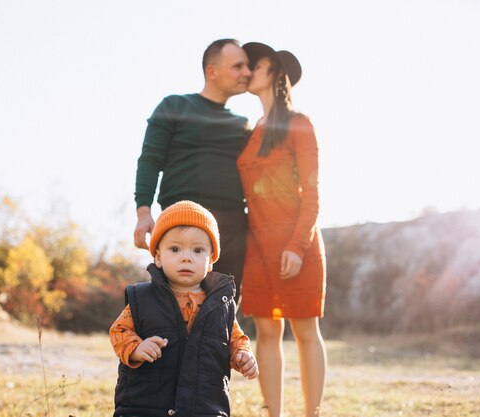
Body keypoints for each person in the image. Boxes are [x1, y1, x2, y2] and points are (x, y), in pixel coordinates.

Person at [236, 42, 327, 417]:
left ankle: (312, 414)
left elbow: (312, 192)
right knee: (267, 333)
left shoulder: (299, 123)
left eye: (253, 65)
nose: (246, 72)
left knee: (305, 331)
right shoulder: (252, 130)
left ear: (274, 71)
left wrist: (297, 244)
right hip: (259, 246)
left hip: (297, 243)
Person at [111, 200, 258, 417]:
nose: (186, 256)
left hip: (204, 406)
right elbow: (119, 330)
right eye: (175, 249)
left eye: (198, 250)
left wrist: (242, 356)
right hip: (145, 405)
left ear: (210, 262)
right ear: (158, 257)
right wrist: (136, 348)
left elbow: (235, 339)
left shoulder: (221, 304)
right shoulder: (142, 298)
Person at [133, 38, 252, 303]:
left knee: (224, 309)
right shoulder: (174, 106)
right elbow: (150, 159)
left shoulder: (243, 124)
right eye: (238, 66)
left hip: (231, 225)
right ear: (212, 71)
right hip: (180, 217)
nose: (247, 73)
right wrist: (144, 212)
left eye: (248, 67)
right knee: (173, 305)